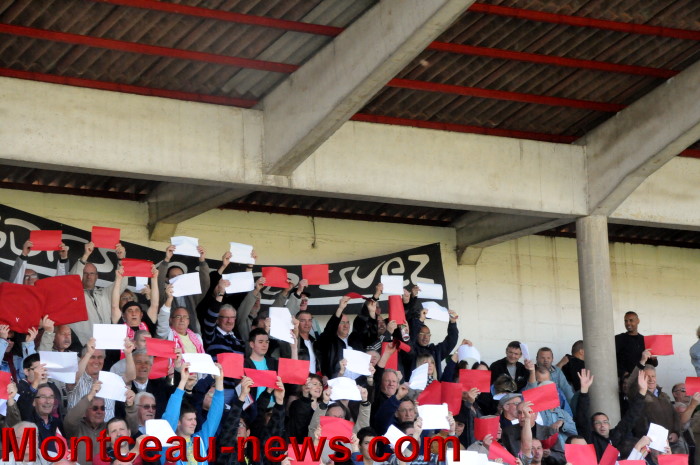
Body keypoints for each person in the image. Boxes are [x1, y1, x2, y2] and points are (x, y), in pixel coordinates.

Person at [575, 368, 648, 460]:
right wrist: (584, 391)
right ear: (592, 427)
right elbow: (582, 418)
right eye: (597, 423)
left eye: (605, 422)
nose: (602, 425)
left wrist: (642, 392)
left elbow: (631, 417)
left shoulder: (615, 436)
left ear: (609, 424)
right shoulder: (591, 438)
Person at [161, 363, 224, 465]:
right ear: (178, 422)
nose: (194, 423)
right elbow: (171, 414)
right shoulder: (168, 443)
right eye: (189, 420)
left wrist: (219, 381)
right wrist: (183, 382)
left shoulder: (200, 441)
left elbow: (215, 416)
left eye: (194, 419)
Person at [69, 241, 128, 345]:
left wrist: (121, 259)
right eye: (85, 273)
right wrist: (85, 256)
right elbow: (73, 279)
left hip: (105, 343)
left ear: (97, 276)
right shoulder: (73, 295)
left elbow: (121, 283)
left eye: (92, 273)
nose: (89, 276)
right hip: (84, 345)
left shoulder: (105, 293)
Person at [157, 244, 210, 334]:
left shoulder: (192, 295)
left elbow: (205, 283)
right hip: (170, 335)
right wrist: (166, 259)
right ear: (167, 280)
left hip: (192, 334)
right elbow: (159, 280)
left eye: (180, 276)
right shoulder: (164, 296)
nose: (177, 278)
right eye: (173, 277)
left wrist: (202, 261)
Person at [157, 285, 205, 354]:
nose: (182, 320)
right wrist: (169, 299)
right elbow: (163, 319)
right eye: (178, 317)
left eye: (185, 317)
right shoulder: (167, 334)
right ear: (171, 320)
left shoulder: (197, 337)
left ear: (188, 321)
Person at [615, 311, 658, 381]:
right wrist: (623, 374)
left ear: (638, 321)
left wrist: (654, 359)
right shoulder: (618, 339)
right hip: (626, 380)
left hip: (643, 379)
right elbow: (612, 360)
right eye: (626, 321)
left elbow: (652, 364)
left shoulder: (644, 340)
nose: (628, 323)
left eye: (631, 320)